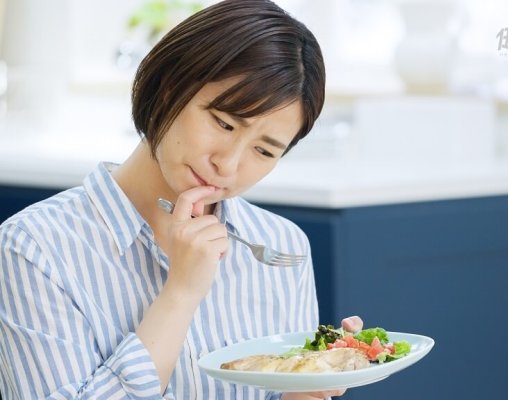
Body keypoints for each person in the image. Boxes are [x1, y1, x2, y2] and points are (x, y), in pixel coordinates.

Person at [0, 0, 363, 399]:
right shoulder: (34, 248)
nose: (227, 164)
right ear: (172, 85)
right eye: (224, 123)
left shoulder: (281, 246)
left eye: (264, 151)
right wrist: (181, 293)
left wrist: (308, 386)